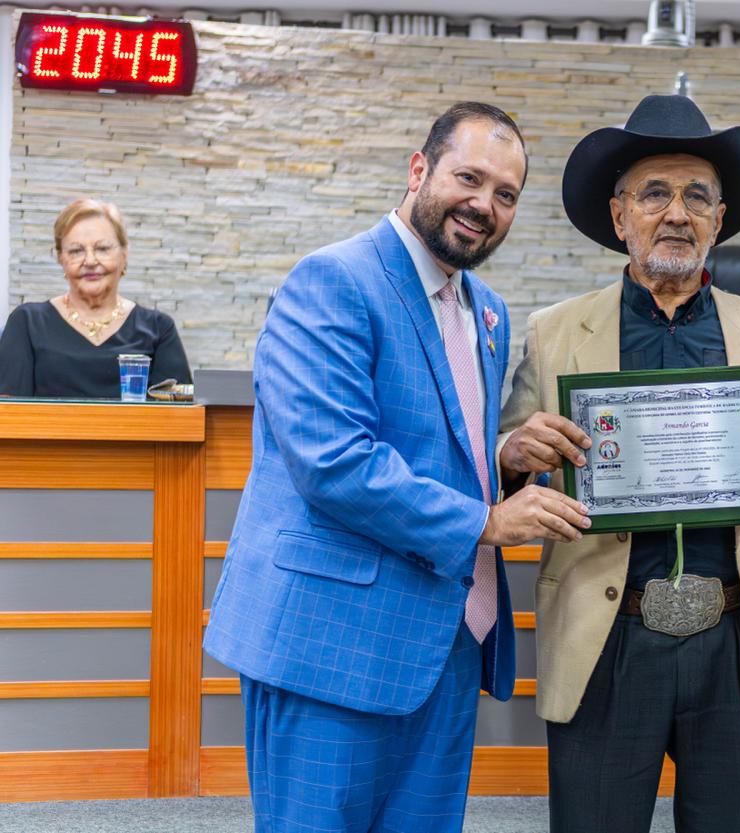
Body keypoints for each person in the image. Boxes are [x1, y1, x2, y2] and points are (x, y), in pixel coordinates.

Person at [204, 102, 591, 833]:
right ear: (420, 170)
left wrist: (505, 459)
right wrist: (487, 519)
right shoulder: (334, 281)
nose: (485, 205)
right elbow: (334, 462)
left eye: (506, 194)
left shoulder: (488, 312)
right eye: (469, 178)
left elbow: (442, 448)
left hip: (445, 641)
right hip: (332, 644)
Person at [498, 93, 740, 833]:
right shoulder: (554, 333)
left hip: (735, 633)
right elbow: (508, 452)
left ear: (720, 220)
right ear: (620, 217)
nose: (676, 212)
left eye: (697, 196)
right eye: (656, 193)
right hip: (607, 628)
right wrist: (513, 454)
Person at [0, 198, 191, 397]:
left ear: (124, 255)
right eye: (76, 251)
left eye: (102, 248)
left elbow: (179, 418)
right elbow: (7, 415)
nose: (90, 261)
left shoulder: (158, 328)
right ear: (61, 259)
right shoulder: (27, 323)